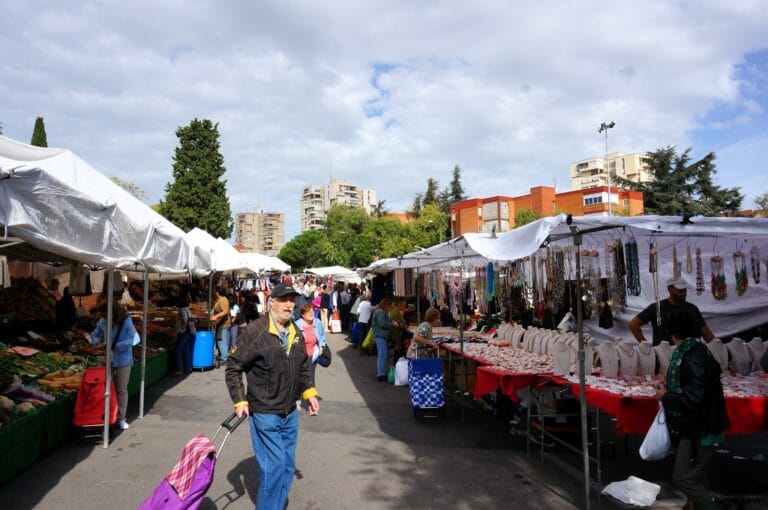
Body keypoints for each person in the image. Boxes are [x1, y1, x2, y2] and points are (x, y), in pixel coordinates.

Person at [225, 283, 319, 510]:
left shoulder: (295, 331)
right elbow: (233, 367)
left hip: (290, 412)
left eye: (292, 300)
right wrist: (239, 400)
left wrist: (309, 393)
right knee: (274, 468)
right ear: (271, 303)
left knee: (287, 466)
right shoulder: (255, 331)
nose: (289, 305)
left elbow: (302, 366)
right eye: (283, 300)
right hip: (265, 412)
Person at [654, 307, 729, 510]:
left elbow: (694, 396)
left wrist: (666, 396)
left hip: (698, 427)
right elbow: (694, 385)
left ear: (674, 331)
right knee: (698, 477)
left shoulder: (693, 354)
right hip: (698, 424)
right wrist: (671, 385)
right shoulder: (692, 351)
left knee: (684, 477)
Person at [88, 300, 138, 430]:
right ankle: (108, 415)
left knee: (121, 389)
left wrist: (119, 345)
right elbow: (95, 334)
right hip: (108, 358)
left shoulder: (126, 321)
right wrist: (97, 342)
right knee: (106, 389)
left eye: (104, 313)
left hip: (123, 358)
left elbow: (134, 339)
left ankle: (121, 418)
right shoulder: (103, 321)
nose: (102, 315)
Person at [629, 276, 715, 346]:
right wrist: (646, 347)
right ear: (670, 289)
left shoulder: (692, 308)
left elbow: (706, 333)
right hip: (663, 356)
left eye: (685, 290)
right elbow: (633, 325)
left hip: (689, 354)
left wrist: (717, 348)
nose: (684, 293)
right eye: (680, 290)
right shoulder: (657, 308)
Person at [295, 303, 327, 414]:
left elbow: (322, 336)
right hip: (299, 356)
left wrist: (321, 346)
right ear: (303, 315)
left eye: (312, 311)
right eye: (308, 312)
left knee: (310, 379)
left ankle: (311, 406)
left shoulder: (317, 323)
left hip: (312, 356)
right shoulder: (296, 325)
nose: (311, 313)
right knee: (297, 377)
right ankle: (297, 398)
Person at [370, 299, 393, 381]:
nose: (390, 308)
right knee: (382, 355)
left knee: (382, 354)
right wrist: (391, 323)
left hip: (380, 336)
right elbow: (382, 324)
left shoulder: (379, 311)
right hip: (380, 336)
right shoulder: (380, 312)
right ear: (386, 305)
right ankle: (381, 374)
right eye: (390, 306)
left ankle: (381, 373)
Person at [174, 296, 195, 375]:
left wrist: (183, 329)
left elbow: (185, 319)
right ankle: (188, 368)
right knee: (186, 350)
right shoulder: (188, 310)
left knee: (178, 351)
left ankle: (180, 370)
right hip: (189, 332)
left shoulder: (182, 310)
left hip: (184, 332)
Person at [211, 287, 231, 365]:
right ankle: (222, 356)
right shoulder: (221, 299)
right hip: (220, 324)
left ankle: (224, 358)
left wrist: (216, 316)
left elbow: (225, 311)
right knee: (220, 340)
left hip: (223, 324)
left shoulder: (223, 300)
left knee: (221, 341)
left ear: (217, 292)